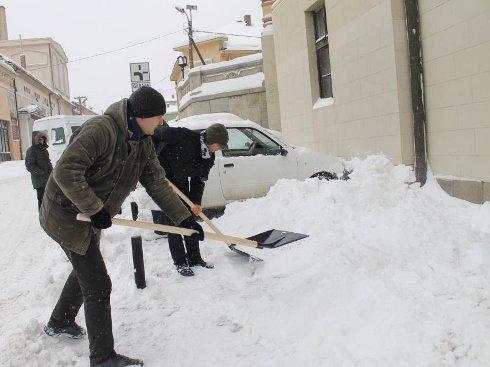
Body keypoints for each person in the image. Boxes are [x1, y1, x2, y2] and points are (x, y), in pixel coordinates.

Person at [39, 86, 204, 367]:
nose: (162, 122)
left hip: (89, 214)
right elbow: (66, 171)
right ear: (141, 116)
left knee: (86, 272)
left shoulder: (143, 141)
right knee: (99, 285)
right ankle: (102, 357)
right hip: (66, 214)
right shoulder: (101, 130)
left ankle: (60, 321)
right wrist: (94, 208)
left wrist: (184, 218)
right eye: (159, 117)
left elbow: (156, 181)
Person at [152, 122, 229, 276]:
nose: (219, 150)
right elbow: (157, 132)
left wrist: (196, 202)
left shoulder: (208, 156)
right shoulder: (184, 136)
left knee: (190, 218)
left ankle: (194, 258)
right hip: (166, 178)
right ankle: (180, 262)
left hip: (181, 179)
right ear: (211, 141)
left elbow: (199, 179)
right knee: (174, 220)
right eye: (219, 145)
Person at [25, 132, 53, 209]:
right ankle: (42, 216)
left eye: (43, 139)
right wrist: (41, 172)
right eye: (40, 139)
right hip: (39, 180)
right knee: (41, 199)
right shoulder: (31, 150)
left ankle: (47, 216)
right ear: (35, 140)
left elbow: (48, 163)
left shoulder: (44, 150)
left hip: (48, 178)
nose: (42, 141)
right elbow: (29, 165)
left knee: (48, 199)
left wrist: (53, 172)